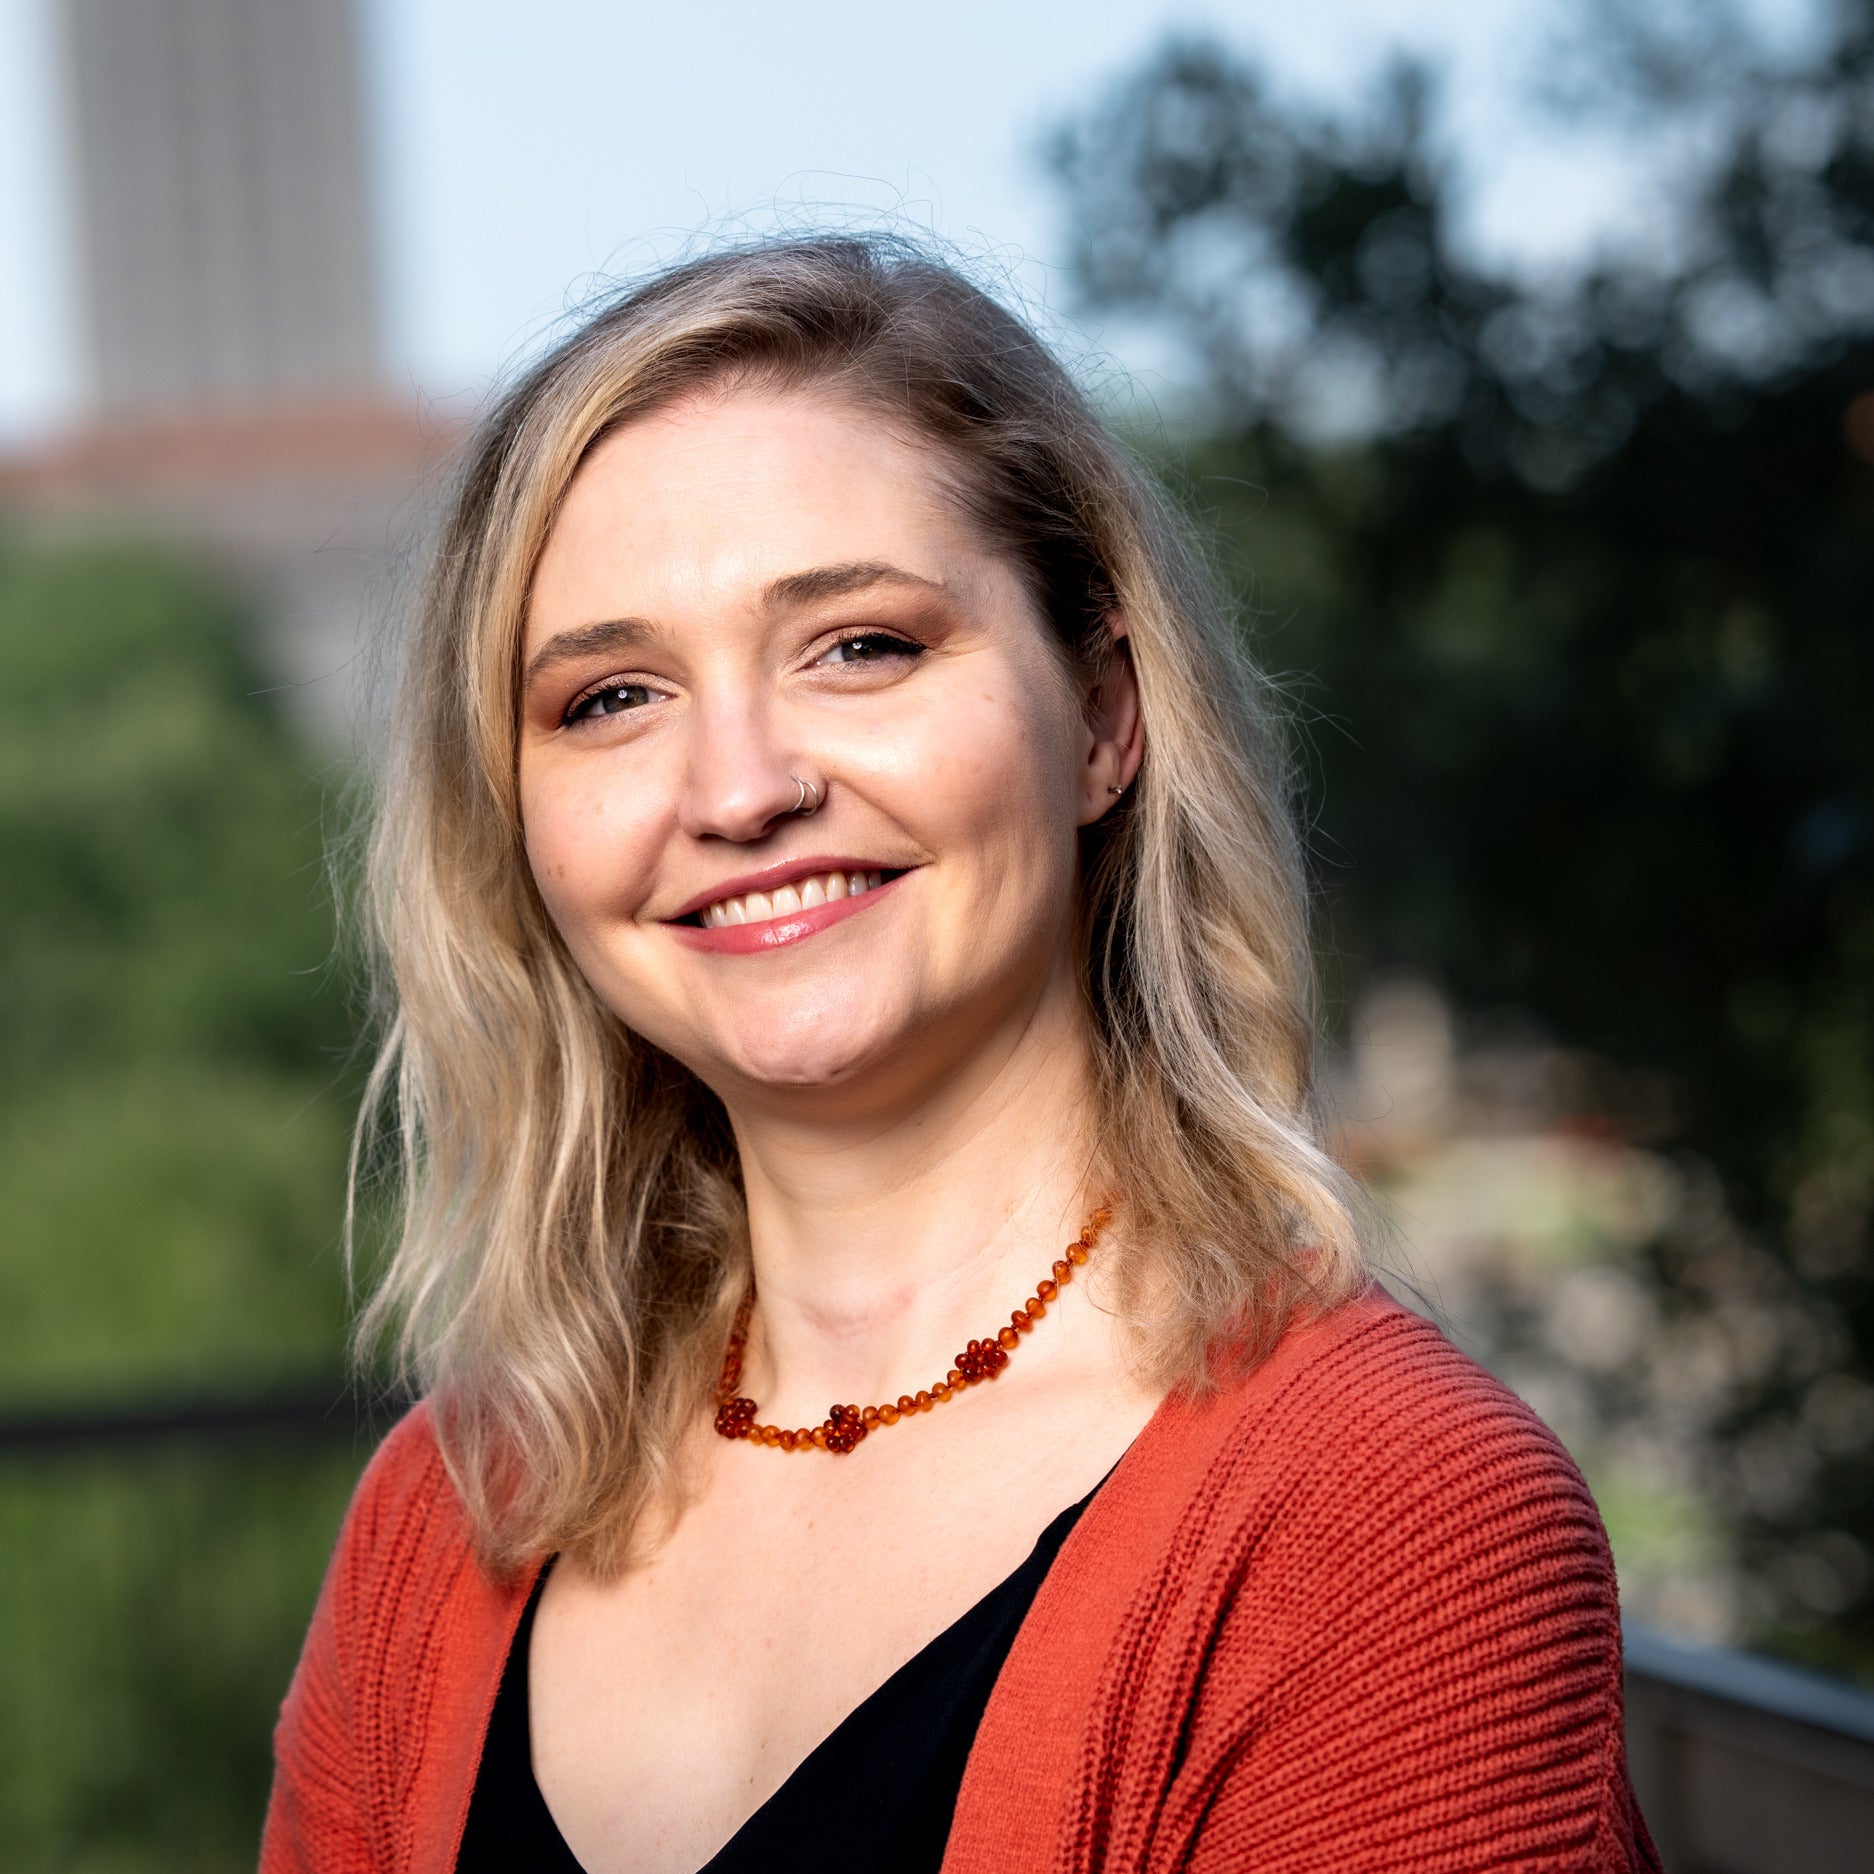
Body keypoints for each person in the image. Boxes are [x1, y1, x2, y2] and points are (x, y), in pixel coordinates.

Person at [262, 236, 1659, 1874]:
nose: (739, 789)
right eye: (612, 696)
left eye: (858, 645)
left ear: (1104, 716)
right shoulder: (444, 1519)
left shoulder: (1383, 1519)